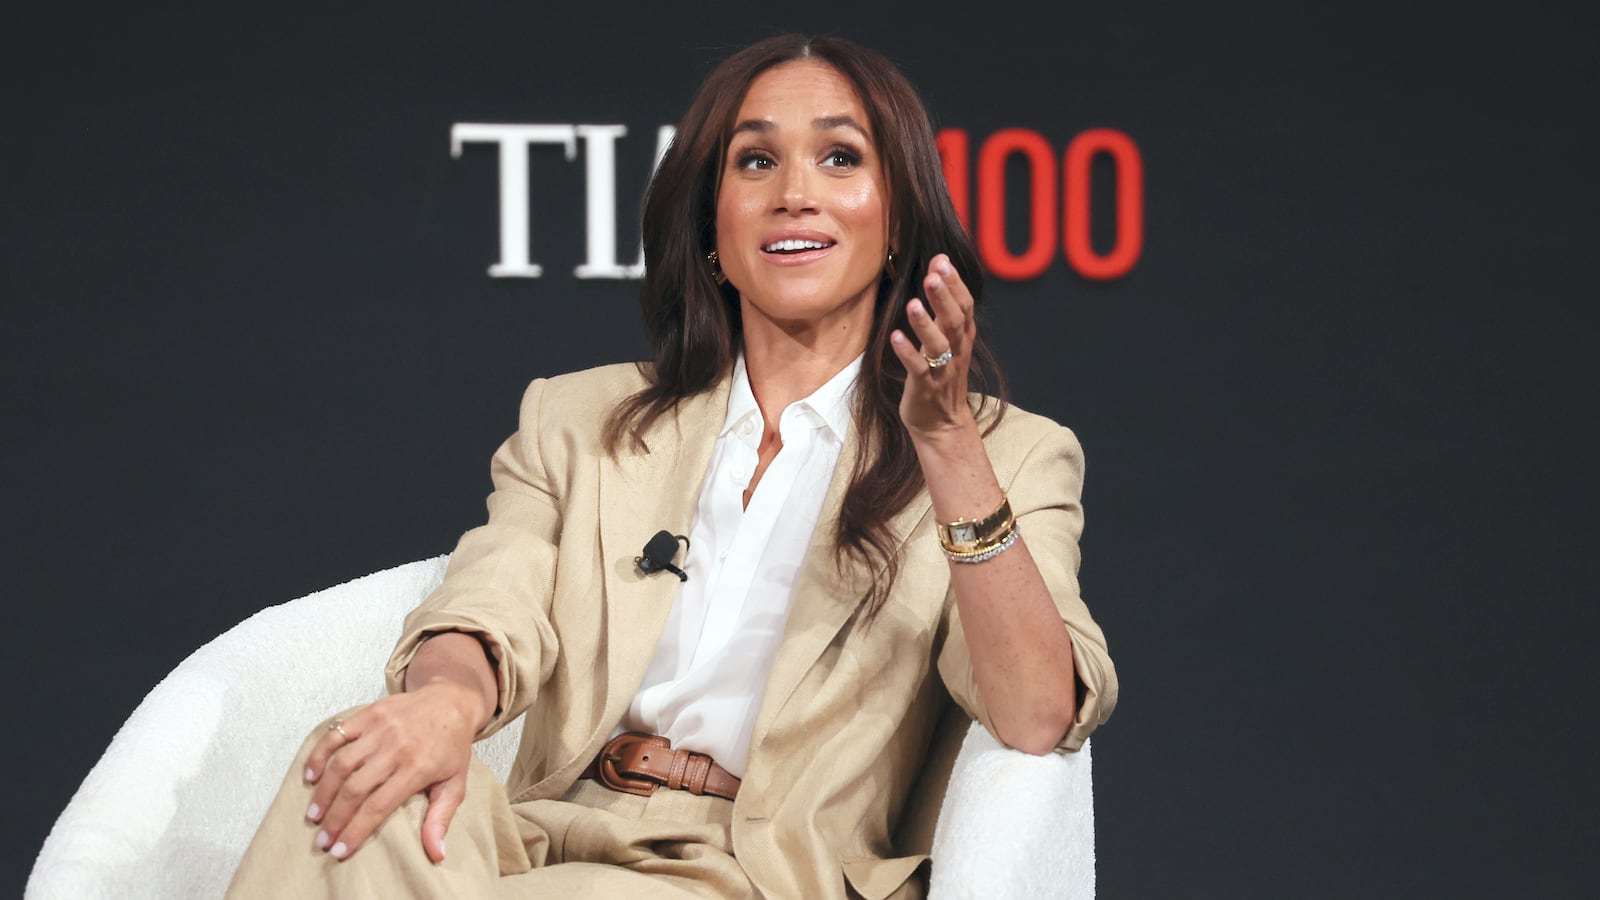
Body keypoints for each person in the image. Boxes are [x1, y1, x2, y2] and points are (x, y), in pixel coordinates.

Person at [227, 33, 1116, 900]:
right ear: (711, 226)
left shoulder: (1010, 453)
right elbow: (489, 603)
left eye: (841, 159)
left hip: (760, 872)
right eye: (755, 162)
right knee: (352, 769)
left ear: (896, 223)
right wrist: (442, 707)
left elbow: (1036, 713)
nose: (795, 193)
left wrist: (950, 447)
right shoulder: (580, 420)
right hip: (547, 843)